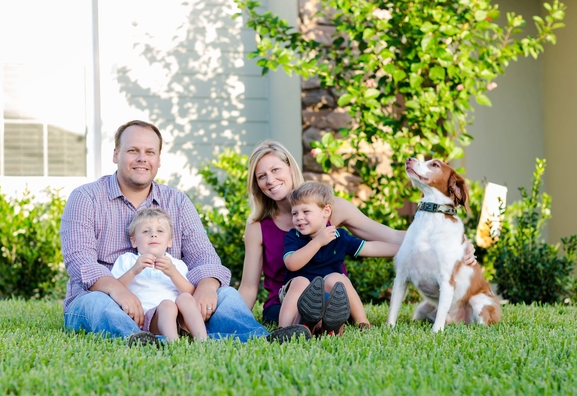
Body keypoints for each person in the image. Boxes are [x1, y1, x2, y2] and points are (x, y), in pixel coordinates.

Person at [61, 120, 307, 346]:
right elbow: (80, 262)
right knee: (96, 304)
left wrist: (207, 288)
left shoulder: (176, 201)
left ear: (158, 159)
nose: (141, 159)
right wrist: (118, 290)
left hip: (171, 303)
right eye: (132, 151)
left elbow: (205, 257)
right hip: (106, 296)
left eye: (149, 152)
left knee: (226, 294)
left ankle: (259, 339)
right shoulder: (86, 198)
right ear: (116, 154)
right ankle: (139, 339)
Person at [238, 140, 476, 327]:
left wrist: (454, 244)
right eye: (261, 176)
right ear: (256, 183)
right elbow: (249, 287)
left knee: (331, 298)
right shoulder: (258, 226)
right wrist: (235, 319)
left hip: (333, 296)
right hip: (285, 303)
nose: (270, 180)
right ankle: (313, 321)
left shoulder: (332, 207)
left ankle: (325, 319)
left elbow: (390, 237)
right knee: (299, 299)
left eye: (275, 169)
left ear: (290, 168)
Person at [279, 181, 399, 333]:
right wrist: (318, 242)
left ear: (326, 211)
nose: (299, 218)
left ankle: (362, 323)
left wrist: (404, 250)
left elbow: (371, 247)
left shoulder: (339, 236)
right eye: (295, 213)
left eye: (306, 212)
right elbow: (291, 264)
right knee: (300, 282)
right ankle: (284, 328)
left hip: (328, 297)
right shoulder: (293, 236)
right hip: (297, 296)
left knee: (337, 278)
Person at [111, 207, 207, 341]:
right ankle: (173, 343)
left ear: (170, 241)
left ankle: (202, 340)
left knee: (185, 297)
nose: (153, 235)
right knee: (167, 305)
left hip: (181, 319)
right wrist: (134, 270)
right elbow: (115, 290)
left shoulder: (176, 264)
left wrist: (173, 273)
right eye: (146, 231)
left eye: (160, 231)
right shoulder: (128, 260)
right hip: (150, 320)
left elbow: (192, 294)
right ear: (134, 241)